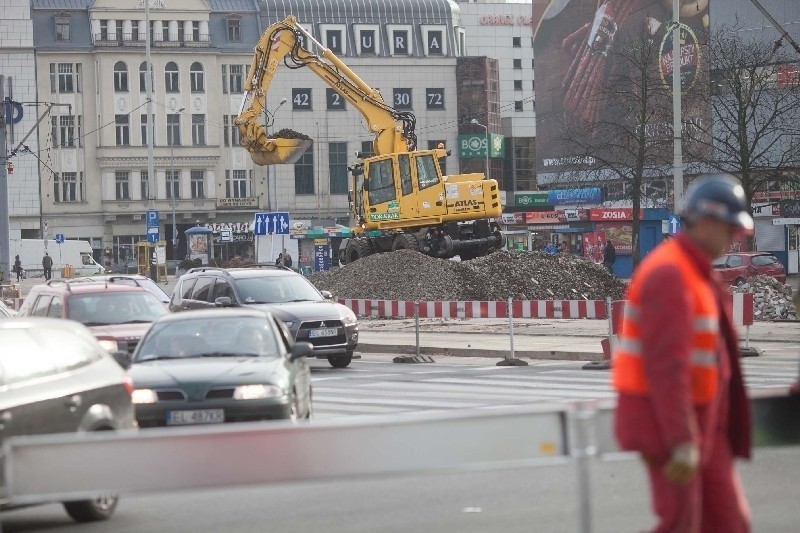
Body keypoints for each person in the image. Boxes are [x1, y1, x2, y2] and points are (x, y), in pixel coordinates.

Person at [612, 174, 753, 532]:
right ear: (706, 221)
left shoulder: (694, 271)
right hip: (669, 424)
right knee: (682, 523)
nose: (734, 237)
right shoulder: (671, 273)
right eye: (729, 228)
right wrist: (682, 440)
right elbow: (666, 367)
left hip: (701, 421)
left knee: (728, 523)